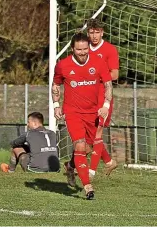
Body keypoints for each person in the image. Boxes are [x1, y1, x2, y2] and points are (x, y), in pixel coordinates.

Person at [52, 32, 113, 200]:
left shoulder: (98, 62)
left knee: (88, 148)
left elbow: (108, 85)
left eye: (85, 49)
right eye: (79, 50)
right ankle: (88, 187)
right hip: (72, 112)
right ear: (72, 49)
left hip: (92, 113)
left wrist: (106, 106)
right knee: (79, 145)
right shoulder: (62, 65)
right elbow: (56, 84)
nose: (83, 52)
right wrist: (56, 106)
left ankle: (70, 166)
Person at [64, 19, 119, 185]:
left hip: (102, 99)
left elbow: (115, 74)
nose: (94, 35)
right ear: (87, 33)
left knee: (96, 136)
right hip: (84, 100)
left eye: (97, 32)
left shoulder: (109, 49)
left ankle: (89, 171)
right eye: (91, 32)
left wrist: (98, 75)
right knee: (87, 143)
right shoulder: (81, 50)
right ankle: (102, 164)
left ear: (102, 32)